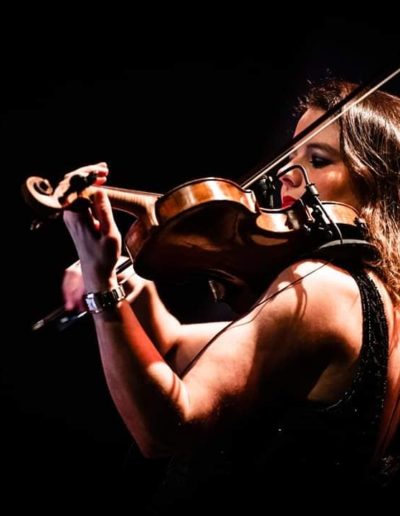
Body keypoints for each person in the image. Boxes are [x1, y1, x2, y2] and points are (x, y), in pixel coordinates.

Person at [61, 80, 399, 509]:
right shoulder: (379, 300)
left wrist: (101, 286)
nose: (287, 174)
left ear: (374, 182)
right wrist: (132, 286)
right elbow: (175, 347)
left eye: (317, 160)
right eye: (292, 155)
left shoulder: (322, 289)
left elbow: (166, 429)